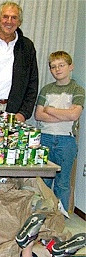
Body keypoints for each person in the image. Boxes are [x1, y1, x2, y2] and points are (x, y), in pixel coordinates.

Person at [34, 51, 85, 213]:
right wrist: (63, 115)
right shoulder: (46, 89)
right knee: (43, 181)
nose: (57, 69)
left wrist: (50, 110)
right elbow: (38, 115)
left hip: (66, 141)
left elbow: (74, 115)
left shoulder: (77, 89)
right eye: (53, 67)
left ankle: (59, 219)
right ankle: (43, 218)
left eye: (61, 65)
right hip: (45, 138)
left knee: (62, 183)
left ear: (71, 67)